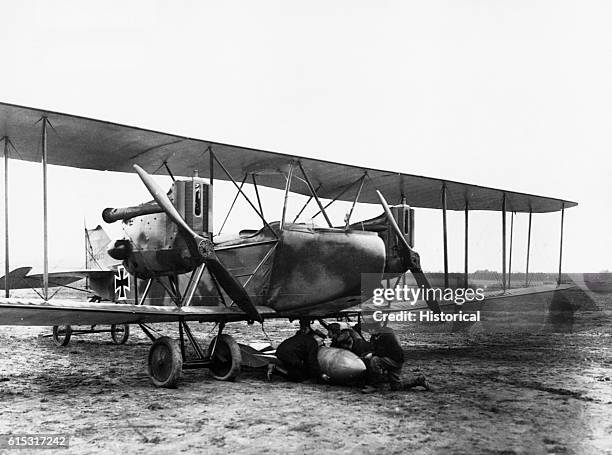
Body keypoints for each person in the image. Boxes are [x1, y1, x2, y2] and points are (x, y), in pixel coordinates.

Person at [360, 321, 430, 393]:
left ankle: (374, 386)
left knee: (375, 360)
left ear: (375, 329)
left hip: (394, 361)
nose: (369, 331)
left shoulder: (387, 335)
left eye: (370, 329)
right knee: (396, 386)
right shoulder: (376, 336)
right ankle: (419, 380)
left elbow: (382, 352)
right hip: (390, 360)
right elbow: (374, 349)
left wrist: (372, 354)